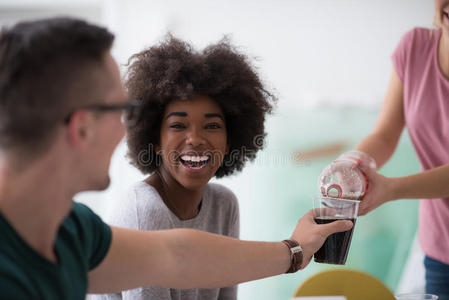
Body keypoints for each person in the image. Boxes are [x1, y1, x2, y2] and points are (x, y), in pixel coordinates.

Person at [0, 17, 353, 300]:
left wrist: (295, 249)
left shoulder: (71, 228)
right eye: (122, 109)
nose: (127, 128)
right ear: (83, 128)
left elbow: (176, 258)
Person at [92, 36, 274, 300]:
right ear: (155, 140)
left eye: (212, 126)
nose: (196, 139)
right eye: (178, 125)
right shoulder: (145, 210)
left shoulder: (224, 205)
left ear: (229, 142)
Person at [321, 1, 449, 298]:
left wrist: (390, 189)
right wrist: (353, 163)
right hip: (440, 251)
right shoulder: (415, 47)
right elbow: (385, 134)